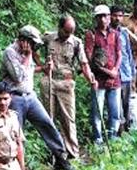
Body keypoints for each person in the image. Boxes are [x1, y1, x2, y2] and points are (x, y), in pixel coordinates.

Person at [0, 25, 73, 170]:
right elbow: (19, 76)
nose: (33, 47)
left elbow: (30, 70)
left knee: (47, 124)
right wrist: (27, 56)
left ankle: (61, 159)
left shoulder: (29, 52)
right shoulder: (10, 52)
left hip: (30, 96)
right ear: (23, 40)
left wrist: (45, 68)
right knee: (17, 135)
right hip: (15, 98)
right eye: (31, 43)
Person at [41, 15, 97, 160]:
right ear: (59, 28)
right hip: (50, 81)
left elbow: (84, 63)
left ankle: (73, 153)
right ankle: (53, 154)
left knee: (68, 119)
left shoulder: (76, 43)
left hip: (66, 84)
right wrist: (42, 66)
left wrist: (89, 77)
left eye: (71, 32)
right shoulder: (48, 38)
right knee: (48, 118)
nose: (68, 35)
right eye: (66, 32)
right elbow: (31, 46)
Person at [85, 5, 122, 144]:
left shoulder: (115, 34)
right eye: (99, 16)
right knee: (97, 112)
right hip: (99, 79)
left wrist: (115, 70)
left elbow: (119, 54)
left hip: (114, 80)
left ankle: (112, 137)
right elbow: (90, 60)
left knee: (115, 112)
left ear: (109, 17)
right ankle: (98, 139)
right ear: (96, 18)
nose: (103, 19)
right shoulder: (92, 35)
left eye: (105, 16)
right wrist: (108, 72)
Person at [110, 5, 137, 133]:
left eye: (120, 16)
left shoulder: (124, 33)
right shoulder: (107, 33)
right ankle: (117, 131)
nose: (117, 18)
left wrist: (133, 72)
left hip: (125, 73)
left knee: (126, 104)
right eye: (115, 15)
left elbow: (128, 53)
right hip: (113, 74)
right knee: (116, 105)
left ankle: (126, 130)